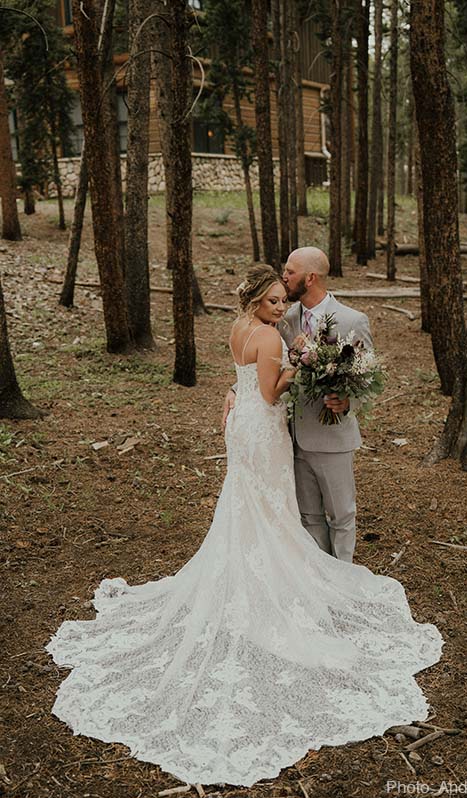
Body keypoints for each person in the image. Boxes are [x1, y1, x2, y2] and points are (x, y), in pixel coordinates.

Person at [47, 265, 443, 789]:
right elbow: (272, 393)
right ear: (256, 300)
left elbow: (242, 380)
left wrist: (256, 381)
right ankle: (273, 584)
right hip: (264, 430)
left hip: (244, 428)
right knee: (270, 508)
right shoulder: (269, 336)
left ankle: (256, 571)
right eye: (274, 300)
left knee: (251, 507)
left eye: (283, 300)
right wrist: (301, 364)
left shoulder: (238, 327)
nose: (281, 307)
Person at [223, 247, 373, 562]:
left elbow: (369, 376)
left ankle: (342, 573)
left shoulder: (352, 320)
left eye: (290, 272)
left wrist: (348, 401)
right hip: (289, 436)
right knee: (308, 517)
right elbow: (263, 365)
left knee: (342, 515)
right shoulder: (283, 318)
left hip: (331, 436)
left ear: (310, 277)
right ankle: (319, 570)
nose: (285, 276)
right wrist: (236, 389)